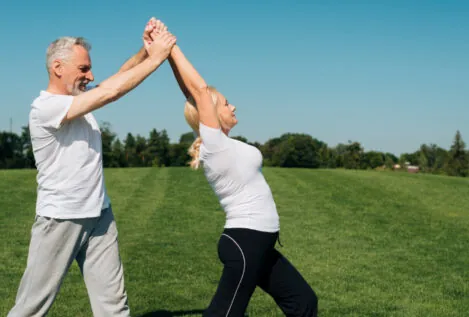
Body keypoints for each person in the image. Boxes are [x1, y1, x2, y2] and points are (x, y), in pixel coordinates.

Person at [8, 18, 176, 317]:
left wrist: (146, 51)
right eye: (83, 69)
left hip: (100, 214)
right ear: (58, 67)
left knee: (114, 307)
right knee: (31, 308)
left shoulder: (78, 100)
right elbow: (110, 92)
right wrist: (160, 58)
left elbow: (114, 81)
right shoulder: (45, 107)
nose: (90, 75)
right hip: (61, 217)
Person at [154, 27, 319, 316]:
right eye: (227, 102)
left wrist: (168, 55)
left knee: (303, 301)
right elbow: (199, 92)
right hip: (246, 241)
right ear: (212, 113)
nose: (234, 105)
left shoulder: (224, 145)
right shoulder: (215, 145)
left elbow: (194, 94)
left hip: (260, 242)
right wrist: (171, 47)